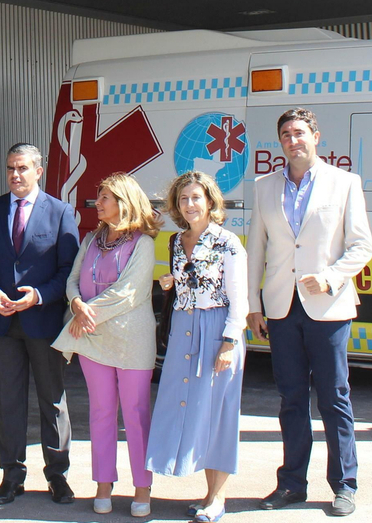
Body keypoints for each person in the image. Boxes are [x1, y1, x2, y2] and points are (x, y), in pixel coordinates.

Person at [246, 107, 372, 518]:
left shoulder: (344, 183)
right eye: (285, 134)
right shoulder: (264, 187)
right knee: (291, 399)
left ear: (316, 136)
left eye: (299, 132)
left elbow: (361, 246)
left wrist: (332, 277)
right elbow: (256, 253)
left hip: (328, 306)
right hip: (282, 308)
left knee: (334, 398)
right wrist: (253, 307)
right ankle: (291, 484)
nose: (292, 140)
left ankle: (344, 485)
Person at [0, 142, 79, 506]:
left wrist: (39, 296)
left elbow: (69, 271)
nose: (15, 175)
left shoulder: (61, 213)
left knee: (53, 400)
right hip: (1, 325)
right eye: (10, 168)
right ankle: (11, 476)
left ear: (38, 170)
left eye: (22, 168)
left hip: (43, 322)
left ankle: (57, 475)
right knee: (8, 402)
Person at [53, 172, 159, 518]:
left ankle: (142, 488)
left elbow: (128, 293)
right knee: (100, 414)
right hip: (92, 339)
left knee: (136, 416)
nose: (96, 204)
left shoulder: (142, 242)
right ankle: (103, 484)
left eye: (104, 199)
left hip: (131, 342)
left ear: (123, 203)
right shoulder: (92, 239)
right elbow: (72, 279)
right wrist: (75, 304)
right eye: (98, 198)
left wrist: (86, 313)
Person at [147, 172, 247, 523]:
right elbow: (189, 281)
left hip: (218, 329)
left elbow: (239, 299)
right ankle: (207, 494)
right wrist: (171, 282)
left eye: (196, 197)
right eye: (183, 198)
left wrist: (229, 343)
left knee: (218, 413)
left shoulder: (228, 242)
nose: (189, 204)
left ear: (210, 201)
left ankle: (217, 498)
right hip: (184, 327)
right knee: (189, 408)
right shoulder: (176, 241)